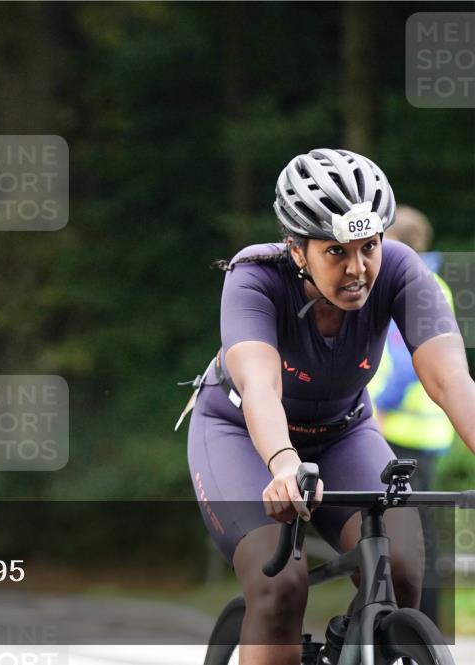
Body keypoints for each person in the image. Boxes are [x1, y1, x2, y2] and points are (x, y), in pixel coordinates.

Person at [183, 148, 475, 665]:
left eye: (370, 246)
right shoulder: (254, 278)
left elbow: (451, 380)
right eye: (336, 252)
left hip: (343, 430)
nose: (358, 268)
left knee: (402, 568)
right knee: (281, 587)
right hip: (241, 435)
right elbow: (259, 387)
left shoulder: (401, 270)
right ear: (297, 251)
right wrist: (283, 462)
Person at [368, 205, 455, 625]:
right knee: (420, 533)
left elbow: (404, 362)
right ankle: (424, 628)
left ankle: (414, 624)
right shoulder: (436, 283)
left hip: (400, 431)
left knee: (405, 534)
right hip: (428, 432)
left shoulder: (412, 285)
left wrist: (378, 408)